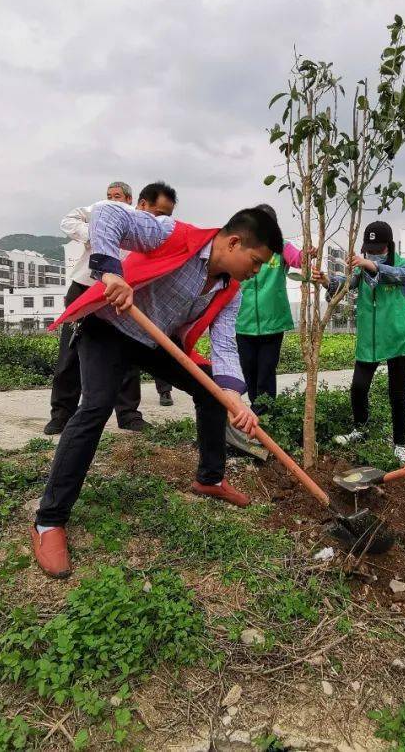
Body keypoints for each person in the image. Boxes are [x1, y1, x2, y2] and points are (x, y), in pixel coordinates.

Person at [30, 204, 282, 578]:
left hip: (155, 340)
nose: (257, 271)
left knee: (211, 391)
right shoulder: (173, 233)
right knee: (96, 406)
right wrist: (111, 272)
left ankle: (209, 479)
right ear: (234, 242)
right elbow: (108, 215)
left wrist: (234, 399)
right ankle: (48, 521)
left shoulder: (231, 290)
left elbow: (225, 348)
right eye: (257, 261)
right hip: (109, 326)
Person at [45, 181, 178, 435]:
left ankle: (128, 414)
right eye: (158, 214)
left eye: (166, 217)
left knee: (126, 352)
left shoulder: (156, 234)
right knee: (70, 354)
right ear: (140, 204)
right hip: (86, 288)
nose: (161, 221)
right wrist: (96, 233)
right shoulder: (105, 209)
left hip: (123, 292)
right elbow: (68, 220)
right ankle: (61, 414)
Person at [314, 220, 405, 463]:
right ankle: (360, 429)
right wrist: (327, 281)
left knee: (398, 394)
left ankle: (400, 443)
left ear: (389, 247)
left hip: (398, 338)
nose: (372, 253)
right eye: (369, 249)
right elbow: (345, 285)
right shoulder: (361, 271)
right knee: (358, 388)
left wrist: (369, 264)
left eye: (378, 249)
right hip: (369, 341)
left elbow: (398, 277)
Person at [235, 204, 307, 416]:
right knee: (249, 371)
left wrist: (308, 253)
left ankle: (263, 416)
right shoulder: (242, 249)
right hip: (243, 323)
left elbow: (298, 259)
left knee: (266, 371)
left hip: (273, 325)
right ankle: (259, 411)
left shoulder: (281, 248)